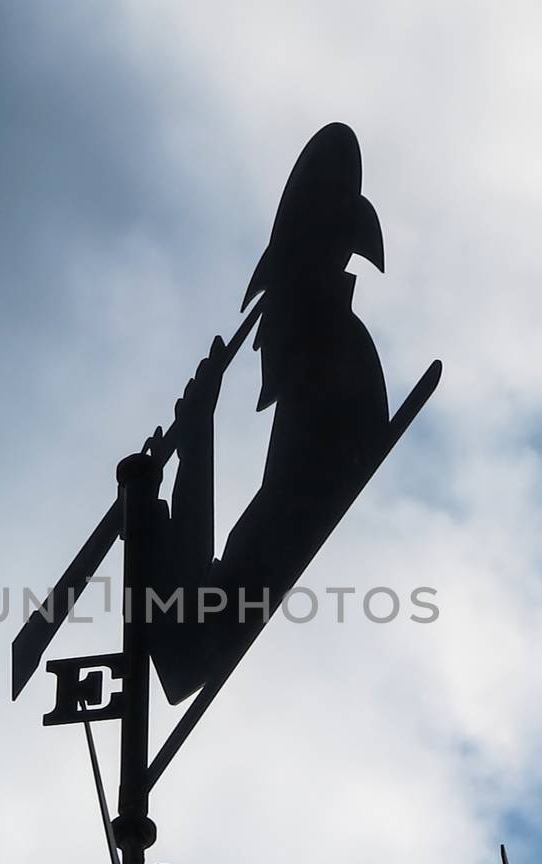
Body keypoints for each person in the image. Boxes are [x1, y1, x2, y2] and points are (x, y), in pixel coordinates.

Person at [149, 123, 391, 703]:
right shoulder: (330, 355)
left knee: (156, 533)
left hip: (240, 577)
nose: (262, 343)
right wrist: (198, 438)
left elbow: (188, 656)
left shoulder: (334, 353)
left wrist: (196, 444)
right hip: (238, 574)